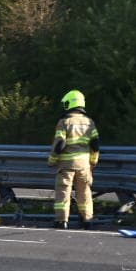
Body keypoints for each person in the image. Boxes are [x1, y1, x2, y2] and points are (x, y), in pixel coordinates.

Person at [49, 89, 100, 230]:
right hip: (84, 165)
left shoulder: (64, 122)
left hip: (67, 164)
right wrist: (93, 161)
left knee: (63, 191)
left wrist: (52, 159)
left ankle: (61, 221)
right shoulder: (90, 122)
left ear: (70, 103)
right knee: (84, 192)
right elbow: (95, 144)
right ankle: (87, 220)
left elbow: (60, 144)